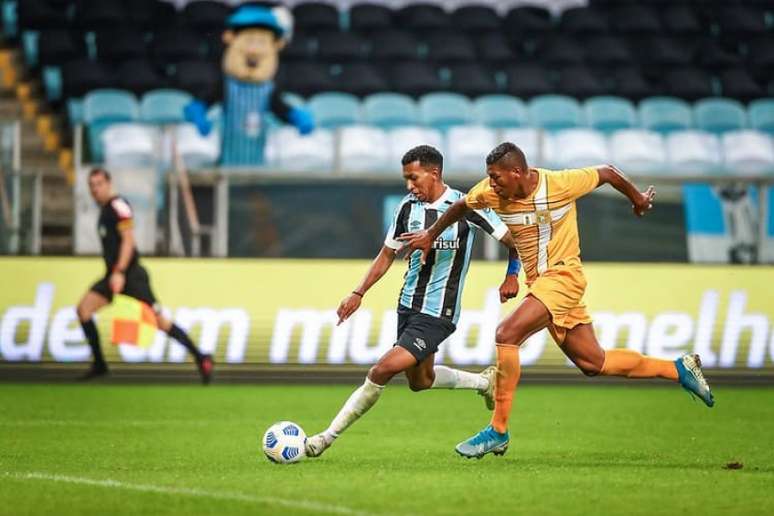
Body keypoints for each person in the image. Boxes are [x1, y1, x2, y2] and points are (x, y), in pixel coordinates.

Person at [398, 142, 715, 459]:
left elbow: (606, 173)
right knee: (594, 363)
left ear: (517, 172)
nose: (492, 184)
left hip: (564, 278)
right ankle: (678, 368)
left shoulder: (560, 183)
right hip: (542, 286)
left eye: (496, 177)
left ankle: (498, 430)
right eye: (489, 178)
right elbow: (462, 206)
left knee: (506, 334)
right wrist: (431, 233)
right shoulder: (489, 193)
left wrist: (637, 198)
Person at [304, 145, 521, 458]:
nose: (409, 186)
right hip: (407, 305)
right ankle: (484, 382)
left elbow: (514, 242)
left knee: (382, 370)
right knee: (421, 381)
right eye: (406, 179)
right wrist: (358, 292)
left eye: (413, 178)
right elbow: (386, 254)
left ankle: (325, 438)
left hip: (439, 312)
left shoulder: (466, 205)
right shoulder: (407, 208)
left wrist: (512, 276)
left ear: (434, 173)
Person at [76, 168, 214, 383]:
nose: (95, 189)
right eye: (91, 185)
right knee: (84, 309)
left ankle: (201, 357)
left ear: (109, 183)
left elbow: (129, 241)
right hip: (113, 274)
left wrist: (120, 272)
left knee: (160, 321)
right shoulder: (105, 210)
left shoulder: (118, 206)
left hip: (130, 275)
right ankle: (99, 364)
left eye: (99, 184)